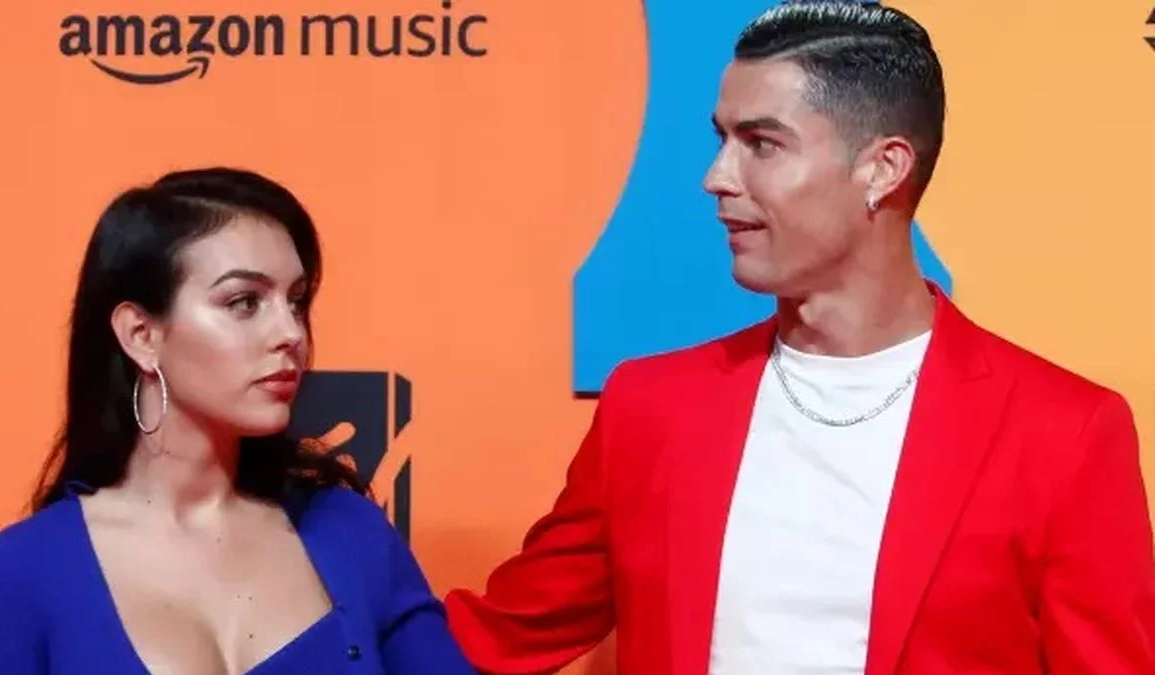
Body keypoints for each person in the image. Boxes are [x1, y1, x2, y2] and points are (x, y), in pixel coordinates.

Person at [444, 2, 1155, 674]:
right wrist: (367, 574)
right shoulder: (651, 408)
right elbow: (494, 642)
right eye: (722, 140)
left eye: (762, 144)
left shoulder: (1062, 433)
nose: (716, 178)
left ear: (883, 168)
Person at [0, 167, 475, 674]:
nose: (291, 333)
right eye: (244, 302)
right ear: (141, 335)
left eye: (296, 302)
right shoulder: (20, 574)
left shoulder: (351, 532)